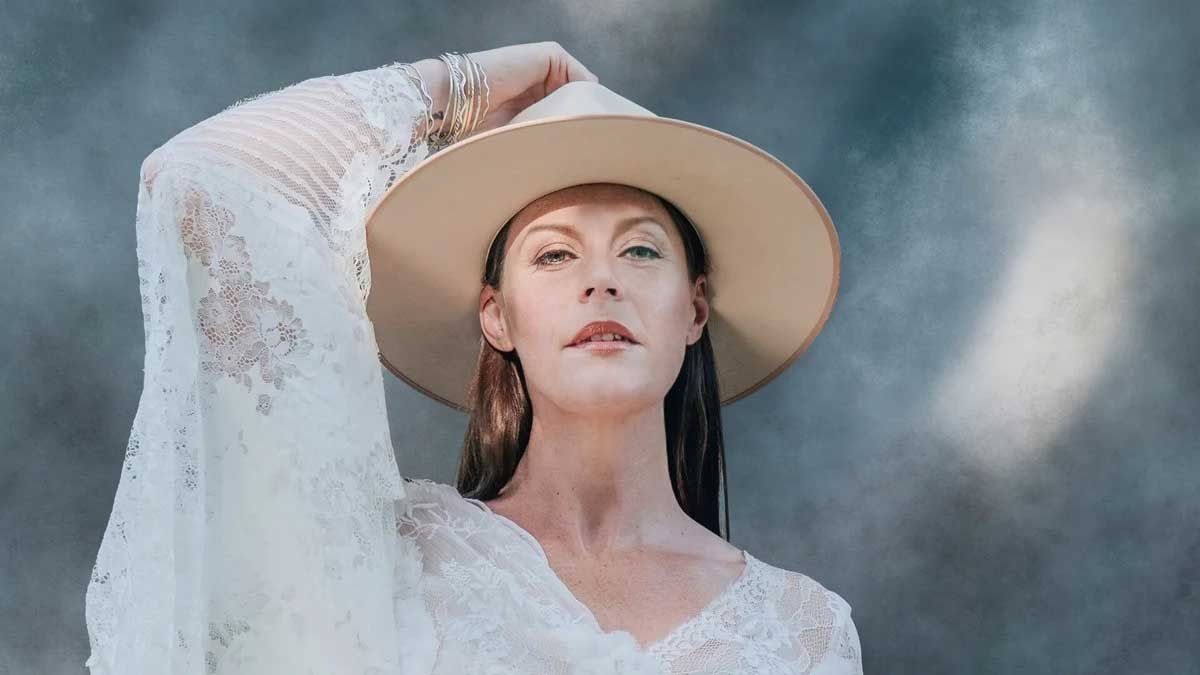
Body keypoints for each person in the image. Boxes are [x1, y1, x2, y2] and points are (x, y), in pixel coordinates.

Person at [84, 41, 863, 674]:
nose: (602, 279)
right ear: (497, 316)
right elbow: (193, 179)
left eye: (640, 249)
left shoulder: (801, 634)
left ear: (694, 308)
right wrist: (464, 86)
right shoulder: (395, 560)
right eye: (556, 256)